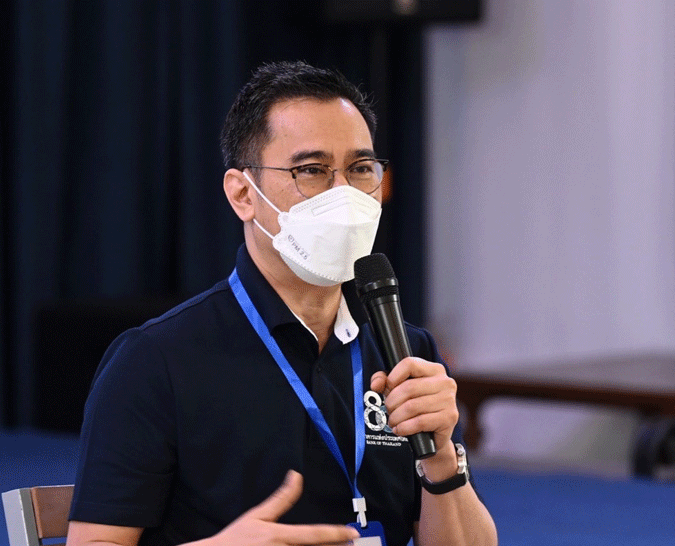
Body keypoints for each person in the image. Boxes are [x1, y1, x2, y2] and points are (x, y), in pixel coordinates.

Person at [66, 61, 497, 546]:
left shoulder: (407, 354)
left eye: (360, 169)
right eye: (311, 170)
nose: (343, 194)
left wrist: (440, 459)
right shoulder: (157, 360)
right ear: (242, 195)